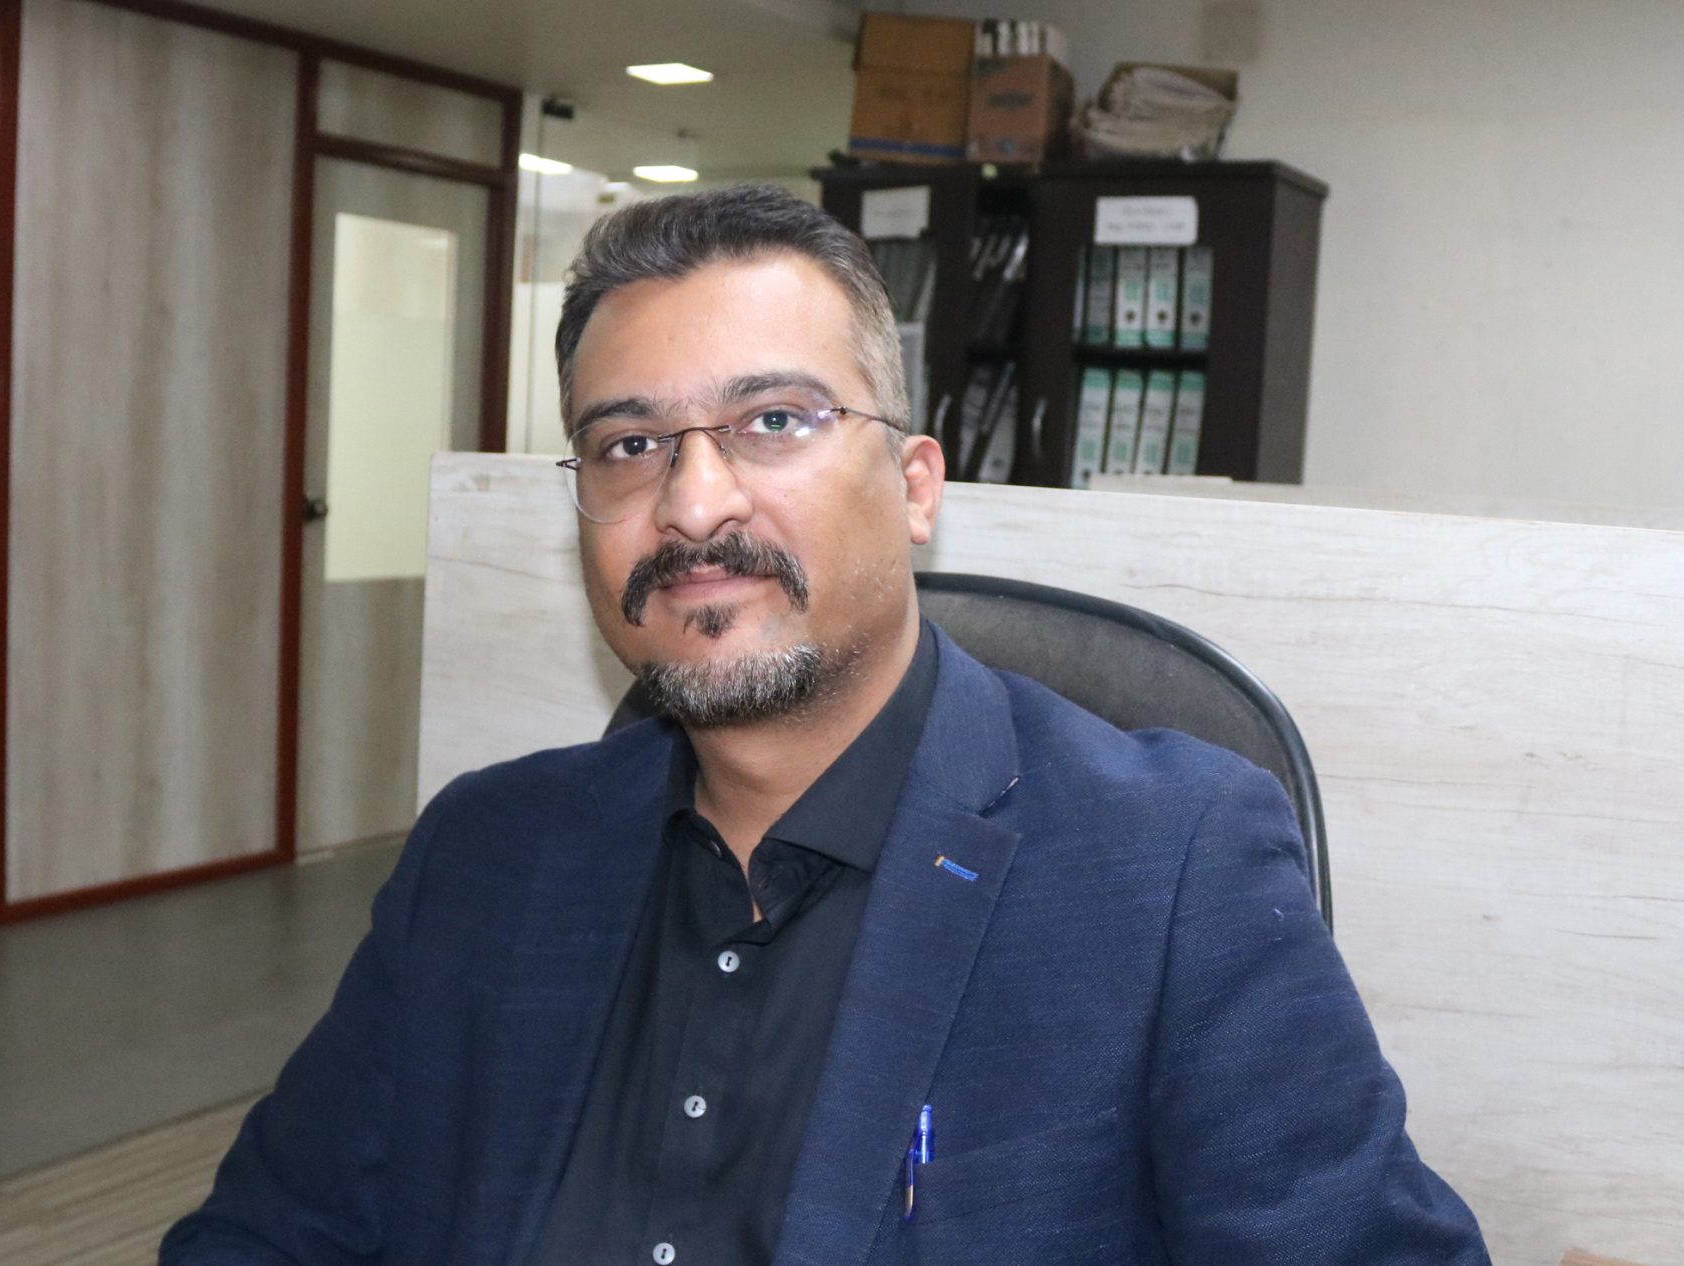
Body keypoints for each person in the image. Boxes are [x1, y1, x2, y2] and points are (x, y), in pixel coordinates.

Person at [162, 184, 1488, 1266]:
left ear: (915, 487)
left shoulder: (1168, 864)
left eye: (774, 421)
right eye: (628, 445)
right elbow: (267, 1235)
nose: (693, 503)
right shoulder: (488, 851)